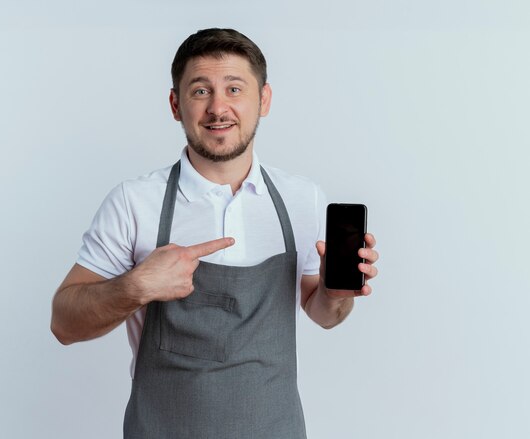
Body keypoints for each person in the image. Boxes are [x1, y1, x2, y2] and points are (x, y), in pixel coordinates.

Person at [51, 28, 379, 439]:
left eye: (235, 89)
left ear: (264, 100)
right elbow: (63, 323)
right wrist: (135, 287)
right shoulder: (134, 202)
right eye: (200, 91)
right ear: (176, 104)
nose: (218, 107)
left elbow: (324, 315)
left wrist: (334, 294)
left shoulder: (303, 199)